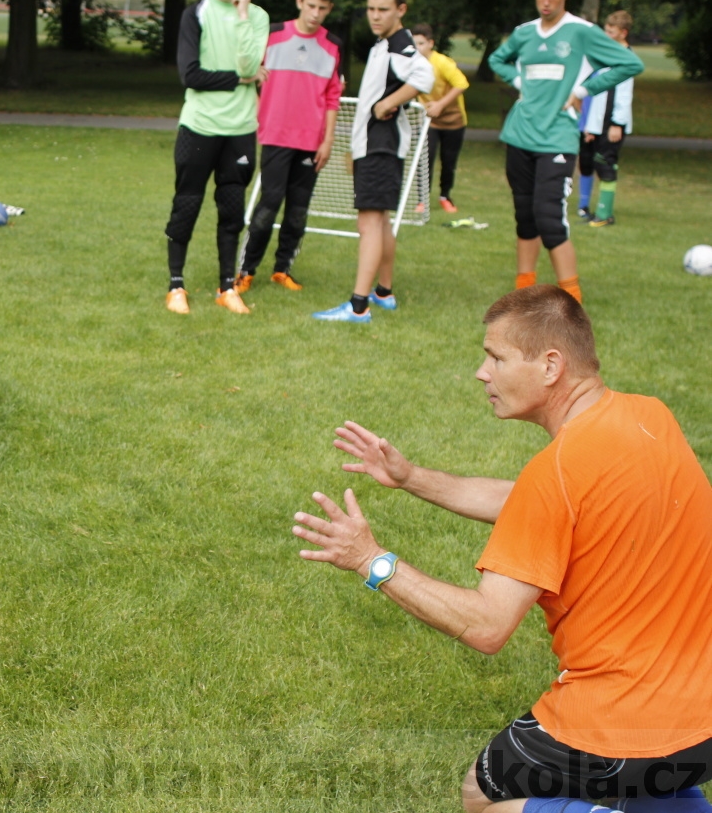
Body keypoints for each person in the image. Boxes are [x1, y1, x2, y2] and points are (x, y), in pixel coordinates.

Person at [293, 285, 712, 812]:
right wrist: (411, 477)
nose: (481, 372)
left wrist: (370, 559)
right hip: (703, 715)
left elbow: (488, 625)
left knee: (486, 792)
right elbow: (547, 505)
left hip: (621, 719)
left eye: (496, 356)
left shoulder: (556, 475)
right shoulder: (649, 417)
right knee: (645, 773)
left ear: (551, 366)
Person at [488, 0, 643, 304]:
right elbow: (497, 60)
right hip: (519, 135)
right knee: (525, 215)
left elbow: (630, 64)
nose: (546, 2)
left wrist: (582, 91)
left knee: (549, 217)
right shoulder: (525, 32)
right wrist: (520, 81)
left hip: (557, 137)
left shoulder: (581, 32)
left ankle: (573, 300)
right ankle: (523, 293)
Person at [312, 0, 432, 324]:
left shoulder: (400, 46)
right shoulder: (384, 44)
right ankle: (383, 291)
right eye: (371, 9)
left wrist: (390, 103)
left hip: (383, 146)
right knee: (378, 223)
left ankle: (358, 306)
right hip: (373, 146)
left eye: (383, 10)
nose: (375, 16)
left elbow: (425, 75)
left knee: (368, 223)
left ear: (401, 10)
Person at [163, 0, 269, 316]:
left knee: (232, 207)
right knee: (187, 203)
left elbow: (251, 66)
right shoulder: (195, 14)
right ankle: (176, 285)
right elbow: (191, 75)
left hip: (240, 129)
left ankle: (226, 287)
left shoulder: (257, 16)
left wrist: (241, 17)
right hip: (200, 126)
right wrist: (239, 80)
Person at [235, 0, 343, 297]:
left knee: (298, 211)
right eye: (311, 6)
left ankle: (282, 270)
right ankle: (246, 271)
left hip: (312, 142)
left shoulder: (333, 45)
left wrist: (328, 139)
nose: (315, 13)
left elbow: (333, 96)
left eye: (322, 9)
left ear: (329, 9)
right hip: (277, 135)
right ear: (299, 2)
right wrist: (259, 111)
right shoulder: (274, 33)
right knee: (268, 206)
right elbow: (247, 71)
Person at [577, 10, 636, 229]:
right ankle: (589, 209)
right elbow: (596, 93)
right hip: (597, 123)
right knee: (591, 162)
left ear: (623, 33)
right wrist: (589, 124)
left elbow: (623, 95)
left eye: (610, 31)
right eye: (605, 29)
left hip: (611, 125)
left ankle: (604, 214)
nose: (606, 34)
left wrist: (617, 124)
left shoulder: (626, 59)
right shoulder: (605, 55)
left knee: (605, 165)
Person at [410, 23, 469, 214]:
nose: (417, 48)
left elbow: (461, 84)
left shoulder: (442, 62)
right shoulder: (410, 63)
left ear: (430, 43)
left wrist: (440, 105)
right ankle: (422, 200)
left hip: (454, 120)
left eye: (421, 43)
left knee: (449, 161)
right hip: (429, 120)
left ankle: (445, 196)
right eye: (414, 44)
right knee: (425, 159)